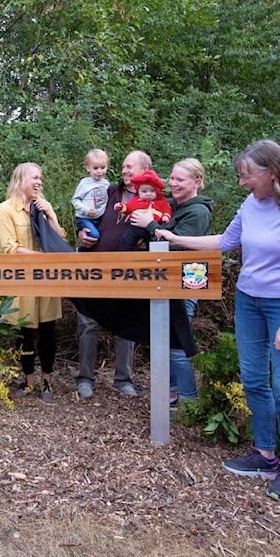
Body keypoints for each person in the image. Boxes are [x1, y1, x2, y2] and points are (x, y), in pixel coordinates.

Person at [155, 140, 280, 504]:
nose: (242, 183)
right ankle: (266, 454)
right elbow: (226, 241)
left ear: (271, 172)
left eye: (246, 176)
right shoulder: (254, 203)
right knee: (252, 379)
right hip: (250, 300)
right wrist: (175, 238)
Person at [130, 158, 213, 403]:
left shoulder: (197, 212)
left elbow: (178, 247)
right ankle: (172, 391)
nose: (173, 183)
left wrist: (150, 225)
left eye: (180, 179)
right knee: (163, 337)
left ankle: (189, 399)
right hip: (166, 279)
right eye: (172, 178)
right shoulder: (173, 205)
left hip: (187, 279)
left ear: (197, 181)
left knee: (177, 340)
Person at [74, 150, 151, 399]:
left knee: (126, 324)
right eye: (124, 166)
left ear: (145, 170)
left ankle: (123, 379)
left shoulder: (151, 197)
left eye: (130, 166)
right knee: (88, 321)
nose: (124, 170)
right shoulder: (108, 190)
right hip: (95, 265)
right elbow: (86, 215)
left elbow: (161, 229)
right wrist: (81, 235)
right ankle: (85, 378)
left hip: (129, 270)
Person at [0, 162, 66, 400]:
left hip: (46, 280)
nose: (39, 182)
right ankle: (28, 382)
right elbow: (8, 248)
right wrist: (43, 259)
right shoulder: (5, 210)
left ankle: (47, 381)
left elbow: (61, 241)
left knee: (48, 332)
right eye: (35, 178)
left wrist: (52, 216)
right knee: (25, 333)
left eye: (41, 178)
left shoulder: (41, 207)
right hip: (21, 281)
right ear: (21, 179)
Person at [115, 169, 172, 251]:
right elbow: (127, 208)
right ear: (139, 192)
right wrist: (120, 207)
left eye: (152, 191)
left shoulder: (161, 201)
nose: (148, 194)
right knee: (126, 239)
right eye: (144, 191)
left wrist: (166, 216)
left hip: (153, 227)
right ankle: (124, 256)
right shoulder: (136, 200)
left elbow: (166, 209)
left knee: (154, 242)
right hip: (135, 226)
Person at [71, 149, 111, 241]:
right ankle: (81, 250)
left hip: (100, 218)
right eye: (95, 168)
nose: (99, 171)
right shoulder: (85, 183)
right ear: (88, 168)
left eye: (103, 167)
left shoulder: (106, 184)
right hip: (85, 218)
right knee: (94, 236)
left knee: (106, 237)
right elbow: (75, 200)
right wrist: (86, 210)